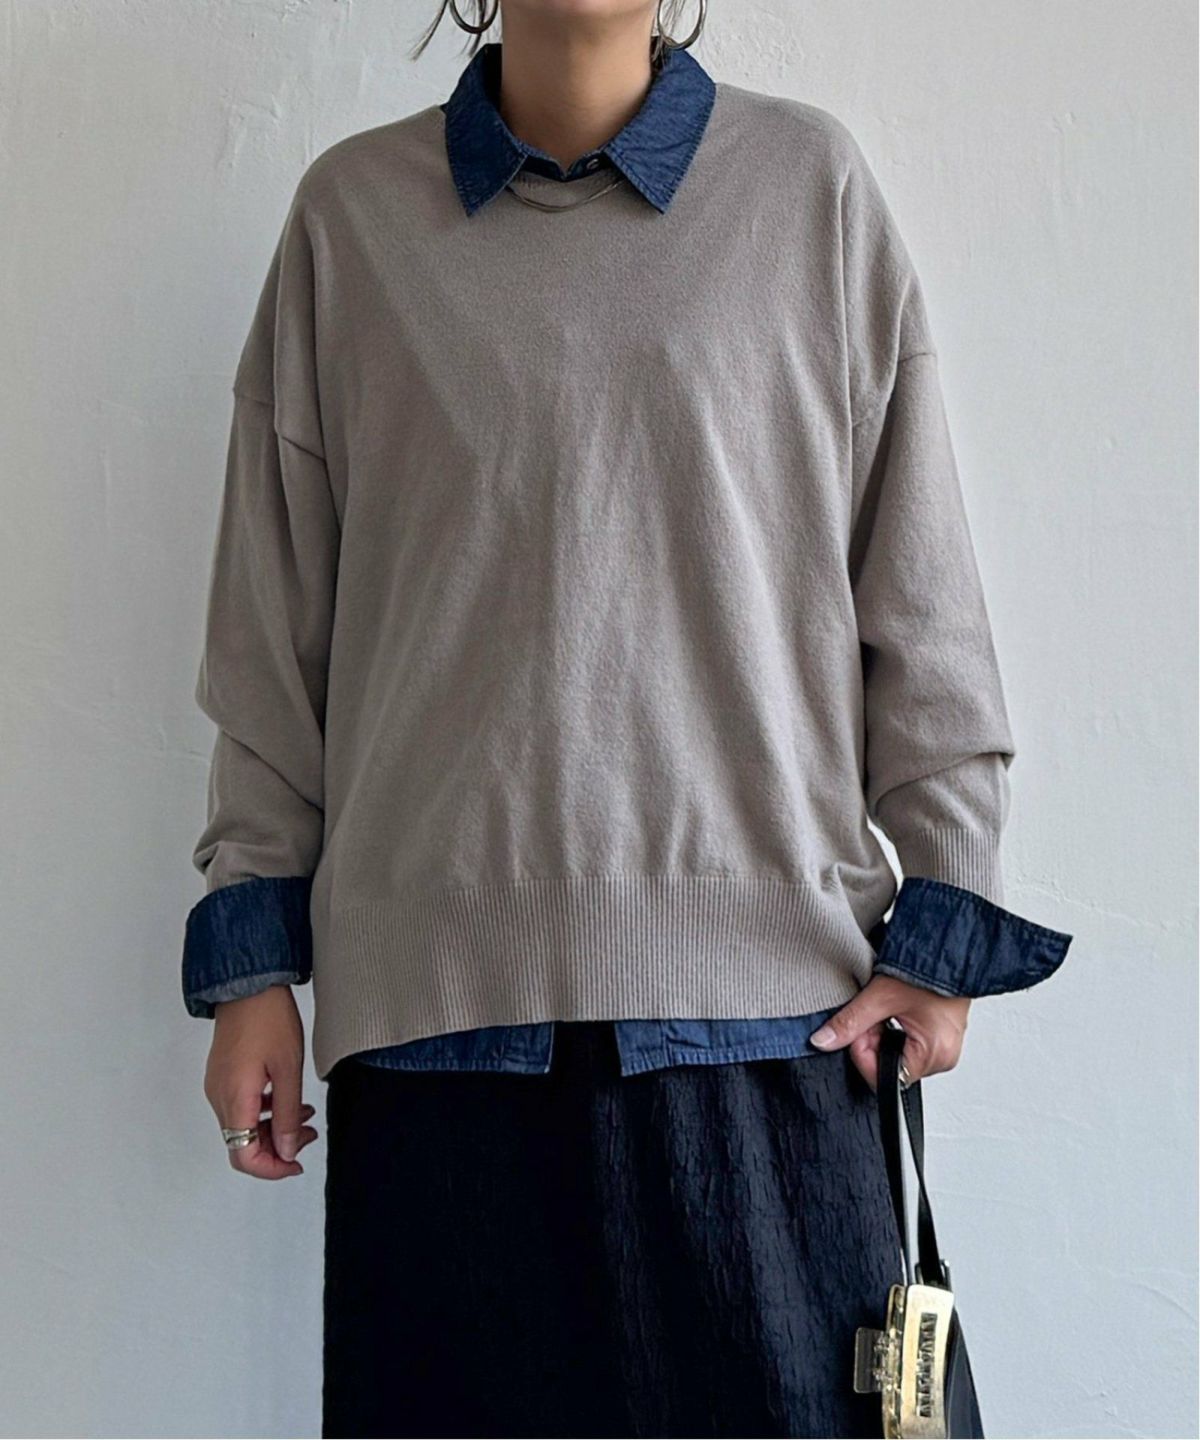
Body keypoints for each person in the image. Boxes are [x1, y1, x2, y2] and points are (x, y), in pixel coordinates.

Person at [181, 2, 1074, 1435]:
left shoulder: (810, 191)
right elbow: (272, 633)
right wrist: (251, 966)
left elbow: (918, 594)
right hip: (441, 1036)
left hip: (770, 1032)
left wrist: (947, 922)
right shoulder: (352, 221)